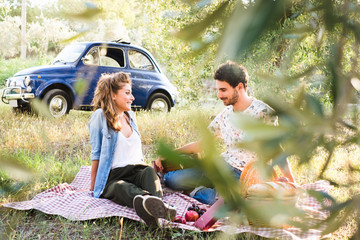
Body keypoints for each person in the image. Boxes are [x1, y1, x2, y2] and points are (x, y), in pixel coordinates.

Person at [154, 60, 295, 204]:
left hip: (246, 177)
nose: (219, 95)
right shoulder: (225, 114)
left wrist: (291, 182)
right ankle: (210, 189)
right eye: (218, 90)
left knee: (227, 203)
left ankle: (199, 192)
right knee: (170, 179)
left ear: (239, 87)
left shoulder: (263, 113)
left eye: (223, 90)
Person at [88, 72, 175, 227]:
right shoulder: (100, 116)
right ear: (113, 95)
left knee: (149, 172)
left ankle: (155, 208)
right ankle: (152, 207)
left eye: (131, 93)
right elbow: (96, 152)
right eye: (127, 93)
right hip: (115, 176)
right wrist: (93, 186)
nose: (132, 97)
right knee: (121, 187)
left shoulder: (131, 116)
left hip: (137, 170)